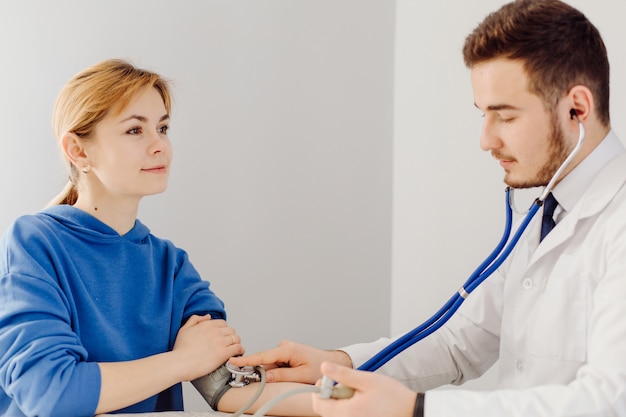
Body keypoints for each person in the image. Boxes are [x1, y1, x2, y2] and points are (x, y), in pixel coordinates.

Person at [228, 1, 626, 416]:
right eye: (483, 115)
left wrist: (416, 409)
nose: (486, 141)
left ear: (576, 108)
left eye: (504, 117)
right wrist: (340, 365)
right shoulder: (544, 214)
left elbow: (610, 401)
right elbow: (457, 344)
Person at [0, 59, 246, 417]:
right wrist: (182, 361)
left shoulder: (171, 265)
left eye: (163, 128)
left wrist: (343, 390)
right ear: (79, 151)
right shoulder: (35, 243)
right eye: (135, 130)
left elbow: (225, 385)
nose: (159, 145)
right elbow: (52, 393)